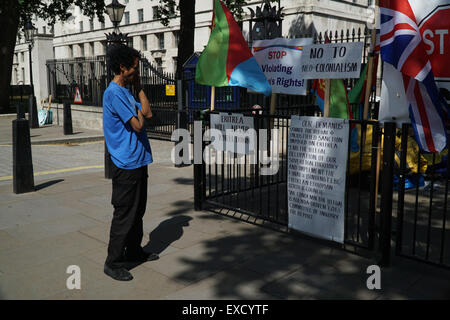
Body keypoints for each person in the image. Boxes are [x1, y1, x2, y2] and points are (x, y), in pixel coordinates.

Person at [102, 43, 158, 281]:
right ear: (122, 68)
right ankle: (113, 262)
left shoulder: (127, 91)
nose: (137, 72)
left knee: (138, 211)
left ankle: (134, 251)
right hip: (125, 164)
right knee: (124, 213)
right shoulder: (114, 93)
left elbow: (148, 113)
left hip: (138, 160)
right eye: (134, 69)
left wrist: (139, 88)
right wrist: (139, 109)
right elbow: (138, 124)